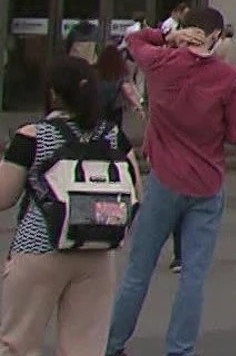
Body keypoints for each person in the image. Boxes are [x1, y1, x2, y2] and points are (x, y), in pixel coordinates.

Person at [106, 7, 236, 356]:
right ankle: (179, 349)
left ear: (185, 30)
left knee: (138, 270)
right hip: (207, 182)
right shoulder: (228, 79)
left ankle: (111, 344)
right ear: (215, 37)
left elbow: (133, 38)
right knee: (193, 275)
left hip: (164, 179)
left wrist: (167, 36)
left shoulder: (160, 61)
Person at [0, 56, 133, 355]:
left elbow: (4, 196)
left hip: (39, 247)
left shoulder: (32, 137)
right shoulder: (113, 136)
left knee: (18, 342)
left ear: (52, 94)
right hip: (98, 250)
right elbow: (134, 190)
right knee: (84, 347)